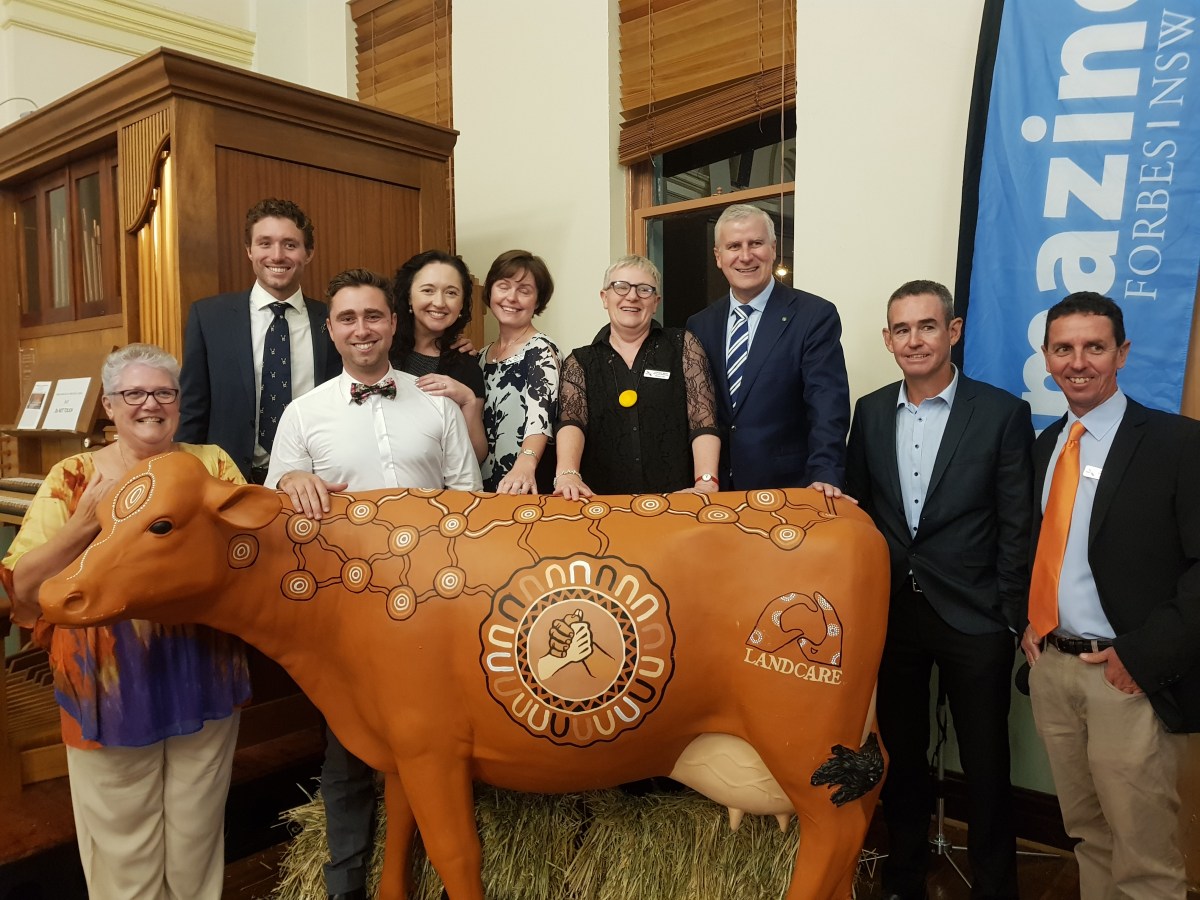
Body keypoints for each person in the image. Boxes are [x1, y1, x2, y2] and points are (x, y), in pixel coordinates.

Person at [0, 343, 250, 900]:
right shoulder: (73, 475)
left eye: (163, 392)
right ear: (110, 406)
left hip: (202, 663)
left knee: (197, 829)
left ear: (179, 402)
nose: (150, 404)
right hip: (107, 677)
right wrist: (83, 524)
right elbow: (24, 584)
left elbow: (250, 555)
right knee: (122, 840)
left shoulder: (211, 464)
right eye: (133, 393)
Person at [266, 268, 481, 900]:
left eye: (373, 316)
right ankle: (347, 884)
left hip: (439, 613)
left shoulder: (437, 402)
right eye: (348, 318)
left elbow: (469, 504)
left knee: (442, 744)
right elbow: (276, 511)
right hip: (350, 617)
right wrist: (290, 482)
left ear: (392, 323)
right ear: (331, 330)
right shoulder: (303, 414)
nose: (362, 329)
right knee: (348, 754)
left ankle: (438, 879)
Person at [845, 280, 1033, 900]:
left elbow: (1016, 522)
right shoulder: (871, 411)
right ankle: (905, 872)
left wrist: (1010, 613)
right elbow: (859, 514)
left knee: (986, 762)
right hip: (895, 612)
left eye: (927, 326)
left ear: (953, 331)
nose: (915, 340)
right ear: (887, 340)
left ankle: (995, 884)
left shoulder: (1001, 412)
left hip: (975, 615)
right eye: (902, 329)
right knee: (902, 755)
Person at [1020, 291, 1200, 900]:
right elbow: (1041, 547)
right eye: (1063, 348)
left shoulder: (1177, 444)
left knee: (1145, 860)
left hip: (1124, 677)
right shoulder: (1045, 446)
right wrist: (1029, 619)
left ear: (1121, 353)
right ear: (1046, 357)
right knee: (1088, 836)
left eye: (1094, 347)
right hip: (1053, 671)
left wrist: (1142, 659)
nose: (1078, 362)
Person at [685, 203, 850, 491]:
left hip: (790, 489)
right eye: (734, 246)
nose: (745, 256)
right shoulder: (699, 324)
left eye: (756, 243)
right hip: (718, 491)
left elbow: (827, 406)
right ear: (718, 257)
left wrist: (824, 475)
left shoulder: (814, 316)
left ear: (773, 249)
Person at [178, 198, 341, 483]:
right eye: (265, 243)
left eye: (290, 245)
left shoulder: (332, 321)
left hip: (312, 482)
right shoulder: (209, 318)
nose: (277, 256)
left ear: (308, 253)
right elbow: (193, 409)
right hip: (228, 484)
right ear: (249, 250)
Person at [554, 254, 721, 498]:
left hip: (677, 501)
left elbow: (703, 419)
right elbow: (572, 422)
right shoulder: (580, 361)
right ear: (605, 297)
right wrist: (568, 474)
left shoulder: (683, 346)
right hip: (601, 504)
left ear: (655, 302)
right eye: (621, 287)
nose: (632, 296)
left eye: (644, 289)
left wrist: (706, 481)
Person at [389, 249, 487, 461]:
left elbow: (477, 456)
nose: (440, 302)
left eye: (451, 293)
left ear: (461, 304)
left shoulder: (466, 364)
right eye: (428, 290)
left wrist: (468, 401)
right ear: (409, 296)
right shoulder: (381, 350)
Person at [478, 249, 560, 494]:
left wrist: (526, 463)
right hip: (482, 482)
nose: (511, 297)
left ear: (537, 301)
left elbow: (540, 418)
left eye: (524, 291)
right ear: (490, 291)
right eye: (503, 286)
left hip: (524, 482)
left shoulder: (541, 350)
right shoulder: (480, 356)